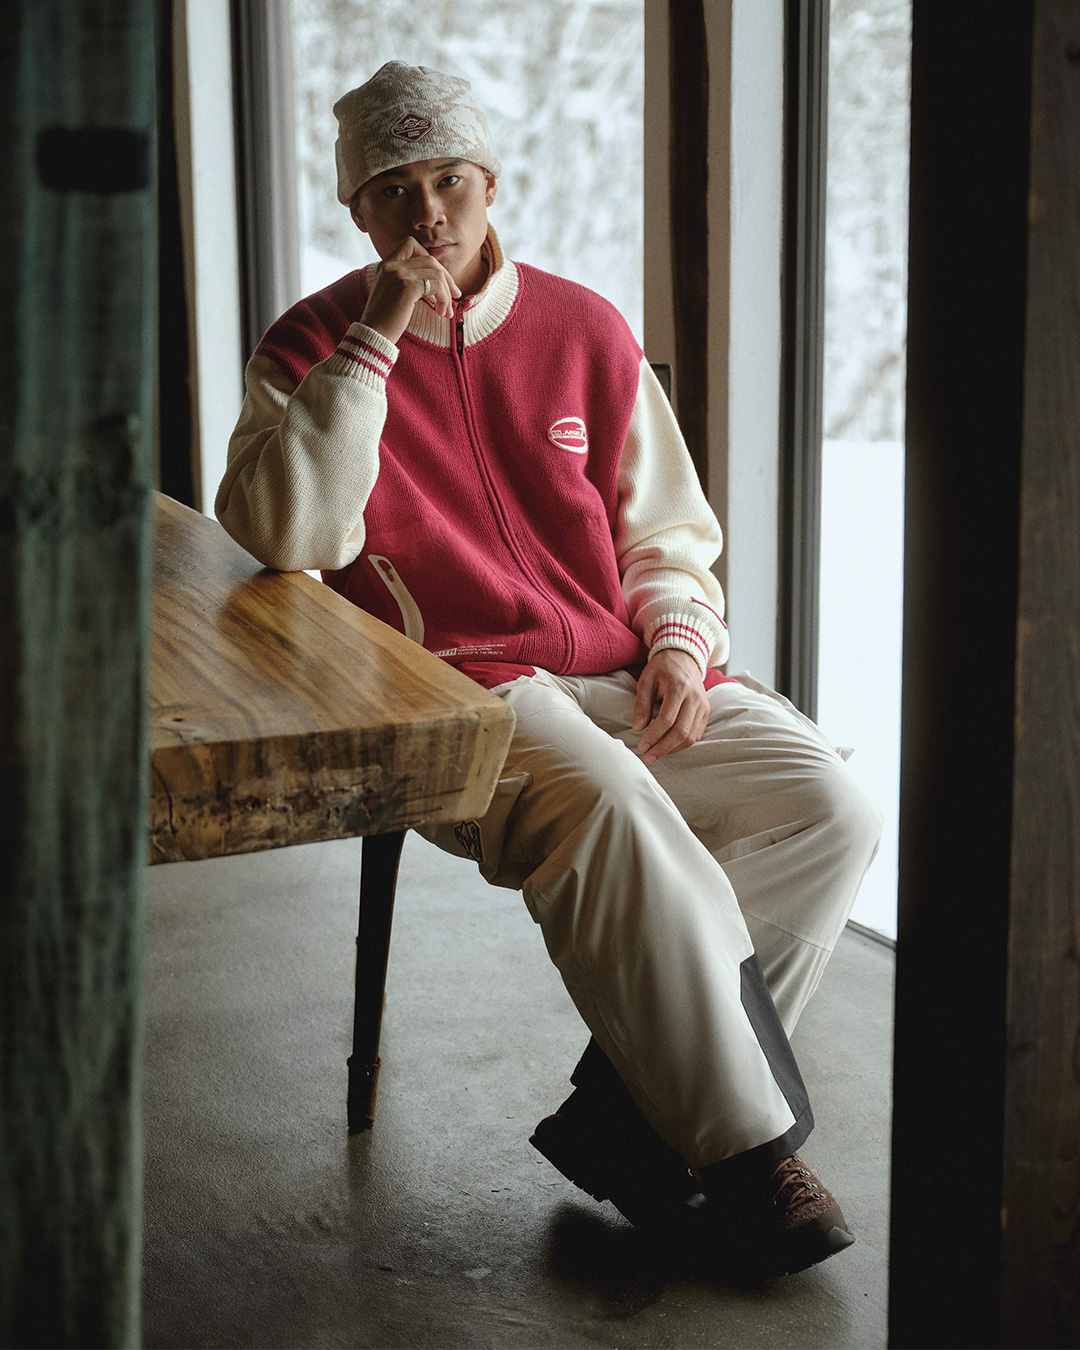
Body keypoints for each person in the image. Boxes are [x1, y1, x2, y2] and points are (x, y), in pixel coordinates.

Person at [216, 61, 882, 1278]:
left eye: (451, 182)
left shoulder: (584, 329)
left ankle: (629, 1122)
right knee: (608, 800)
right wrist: (374, 342)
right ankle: (749, 1159)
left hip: (617, 667)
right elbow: (289, 532)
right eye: (394, 190)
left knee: (825, 805)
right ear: (356, 209)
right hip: (456, 687)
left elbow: (665, 534)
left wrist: (678, 642)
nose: (429, 214)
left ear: (491, 185)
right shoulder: (309, 343)